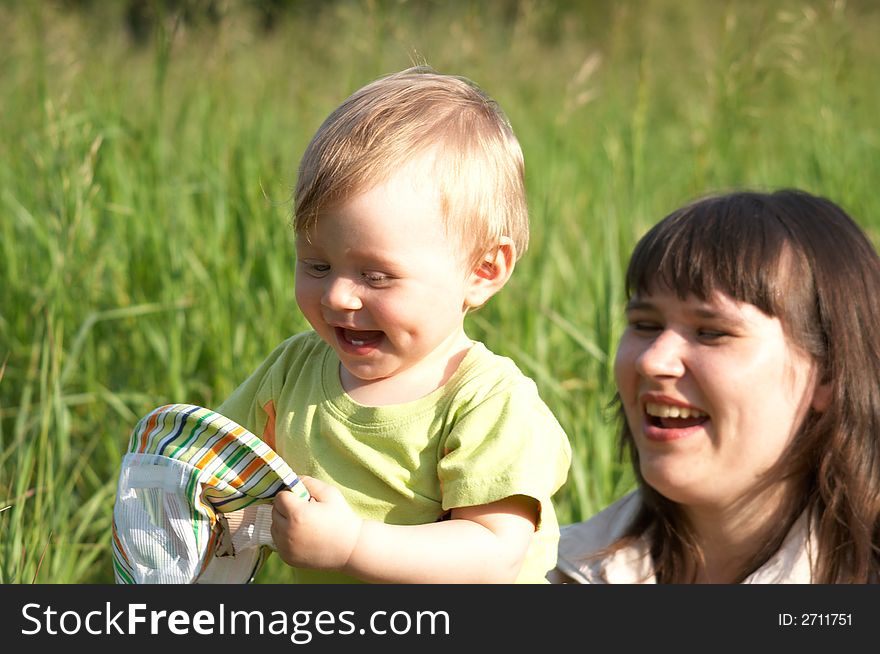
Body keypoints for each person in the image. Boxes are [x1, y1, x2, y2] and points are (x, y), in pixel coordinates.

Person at [216, 66, 572, 583]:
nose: (338, 295)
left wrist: (351, 544)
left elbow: (493, 555)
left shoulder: (486, 402)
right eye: (316, 265)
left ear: (482, 271)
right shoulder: (292, 373)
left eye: (376, 276)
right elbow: (219, 468)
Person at [550, 189, 880, 583]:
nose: (653, 360)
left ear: (827, 372)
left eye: (711, 332)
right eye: (645, 325)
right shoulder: (534, 573)